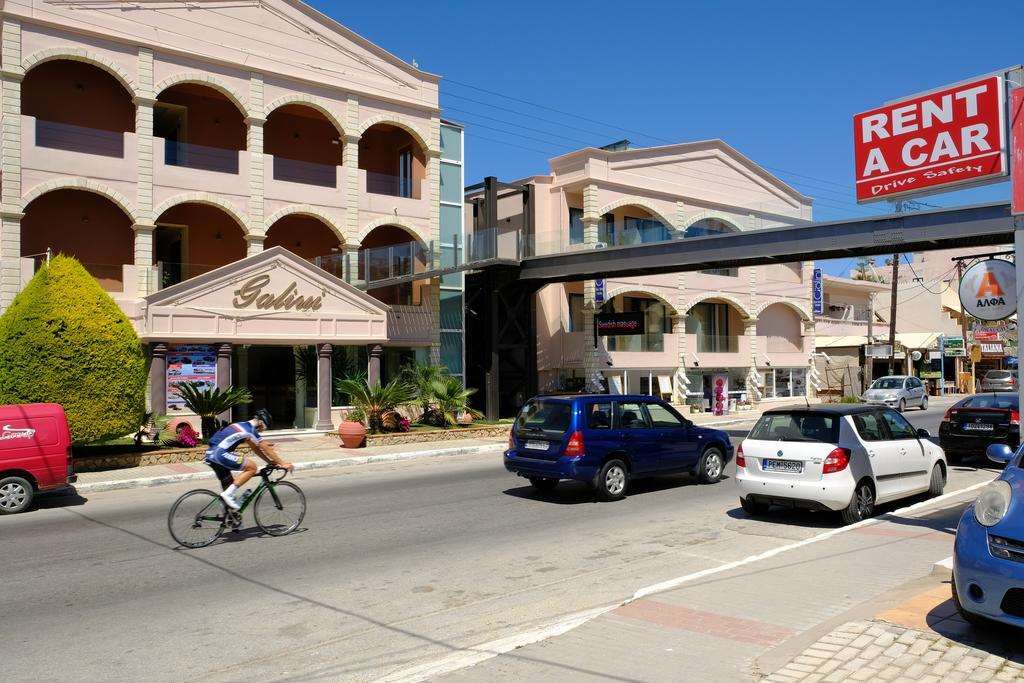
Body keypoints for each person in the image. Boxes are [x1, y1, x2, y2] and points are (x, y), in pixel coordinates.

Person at [204, 409, 293, 510]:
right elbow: (265, 448)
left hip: (211, 454)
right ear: (260, 422)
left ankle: (230, 519)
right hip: (219, 454)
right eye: (263, 427)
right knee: (252, 467)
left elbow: (255, 449)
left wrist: (270, 462)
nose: (261, 431)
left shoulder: (243, 425)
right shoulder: (250, 430)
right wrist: (282, 463)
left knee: (230, 486)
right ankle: (227, 495)